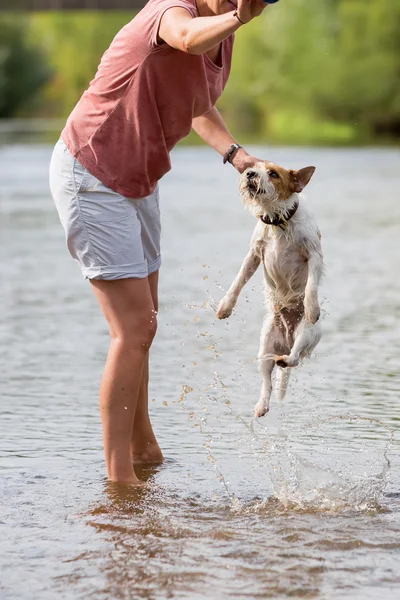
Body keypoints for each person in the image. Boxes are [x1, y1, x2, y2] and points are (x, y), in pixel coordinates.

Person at [49, 0, 269, 484]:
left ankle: (143, 446)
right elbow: (186, 38)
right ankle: (119, 480)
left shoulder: (222, 33)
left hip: (138, 180)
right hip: (92, 173)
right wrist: (237, 17)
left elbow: (196, 101)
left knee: (146, 322)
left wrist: (235, 154)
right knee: (132, 330)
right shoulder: (173, 10)